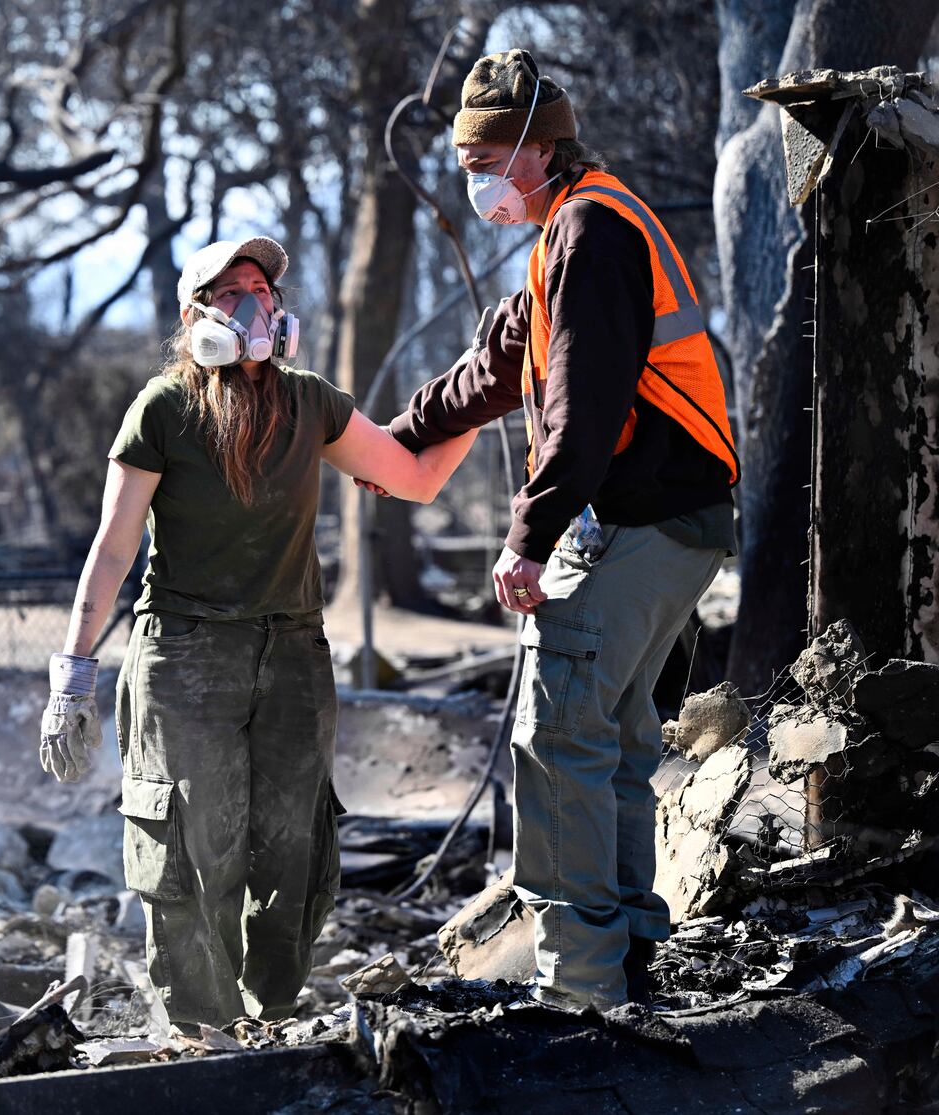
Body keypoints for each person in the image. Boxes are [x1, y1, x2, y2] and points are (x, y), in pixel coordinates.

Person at [370, 49, 738, 1011]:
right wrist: (377, 445)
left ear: (538, 149)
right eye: (466, 165)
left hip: (642, 519)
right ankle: (628, 961)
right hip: (674, 523)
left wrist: (527, 537)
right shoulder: (565, 238)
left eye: (484, 161)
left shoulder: (590, 231)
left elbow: (581, 411)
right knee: (611, 736)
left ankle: (578, 987)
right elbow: (494, 374)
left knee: (556, 732)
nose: (475, 181)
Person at [38, 235, 477, 1031]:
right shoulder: (164, 409)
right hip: (186, 654)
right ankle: (197, 1033)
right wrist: (72, 672)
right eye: (234, 290)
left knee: (292, 850)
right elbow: (112, 547)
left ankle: (270, 1021)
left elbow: (412, 476)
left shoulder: (309, 401)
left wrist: (490, 395)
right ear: (197, 314)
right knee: (191, 849)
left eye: (264, 290)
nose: (256, 303)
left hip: (292, 653)